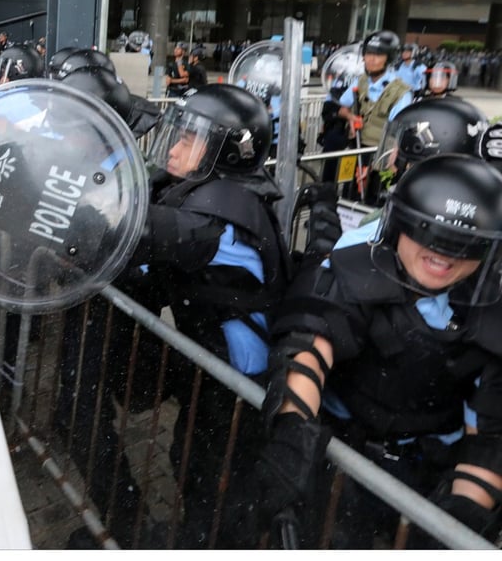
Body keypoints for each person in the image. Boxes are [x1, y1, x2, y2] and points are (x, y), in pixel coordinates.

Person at [62, 84, 293, 549]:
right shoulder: (212, 191)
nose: (174, 147)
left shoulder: (223, 221)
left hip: (242, 385)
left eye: (189, 139)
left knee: (217, 481)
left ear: (224, 153)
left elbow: (132, 230)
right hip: (215, 369)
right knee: (192, 459)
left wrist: (56, 201)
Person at [251, 154, 502, 549]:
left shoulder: (491, 316)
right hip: (342, 461)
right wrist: (291, 441)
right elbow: (309, 349)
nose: (445, 257)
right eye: (428, 234)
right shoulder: (353, 269)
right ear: (400, 224)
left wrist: (456, 525)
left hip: (428, 478)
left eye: (465, 246)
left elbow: (487, 438)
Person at [337, 30, 414, 205]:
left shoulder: (400, 92)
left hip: (383, 155)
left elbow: (396, 133)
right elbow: (342, 107)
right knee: (349, 196)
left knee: (373, 201)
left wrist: (373, 167)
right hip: (357, 148)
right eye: (368, 54)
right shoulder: (361, 81)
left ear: (389, 58)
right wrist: (350, 116)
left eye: (378, 55)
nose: (371, 59)